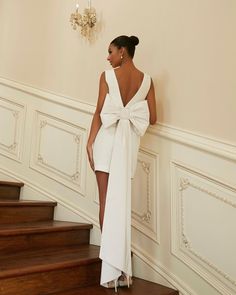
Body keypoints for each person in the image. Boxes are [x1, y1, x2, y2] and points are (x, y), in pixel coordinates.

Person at [87, 35, 157, 291]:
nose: (108, 57)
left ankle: (112, 269)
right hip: (128, 145)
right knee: (122, 203)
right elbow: (154, 118)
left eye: (110, 52)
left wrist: (89, 141)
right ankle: (124, 272)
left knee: (106, 201)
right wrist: (131, 113)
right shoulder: (148, 81)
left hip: (107, 142)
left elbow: (98, 111)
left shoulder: (106, 76)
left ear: (123, 52)